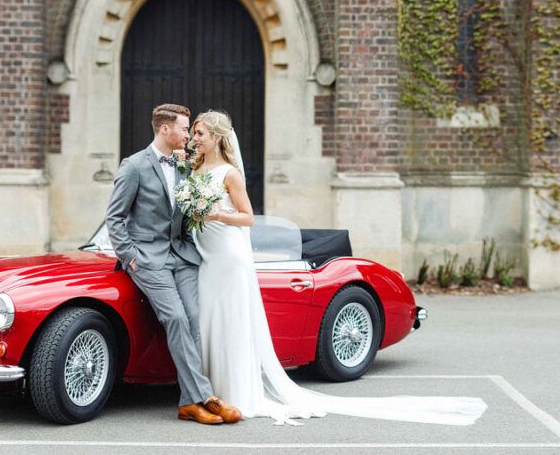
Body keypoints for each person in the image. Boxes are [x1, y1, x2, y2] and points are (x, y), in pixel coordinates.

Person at [190, 109, 488, 426]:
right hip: (208, 254)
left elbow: (247, 217)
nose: (194, 139)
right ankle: (209, 391)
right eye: (194, 133)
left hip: (230, 254)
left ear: (217, 138)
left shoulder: (230, 173)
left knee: (231, 318)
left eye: (200, 134)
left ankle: (235, 392)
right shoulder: (194, 169)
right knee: (211, 317)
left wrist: (216, 216)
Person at [105, 103, 242, 425]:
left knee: (194, 319)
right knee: (177, 319)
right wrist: (131, 258)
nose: (188, 135)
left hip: (182, 256)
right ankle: (203, 397)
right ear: (165, 130)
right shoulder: (134, 166)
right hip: (148, 260)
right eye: (183, 129)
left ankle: (188, 402)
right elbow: (115, 218)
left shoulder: (184, 166)